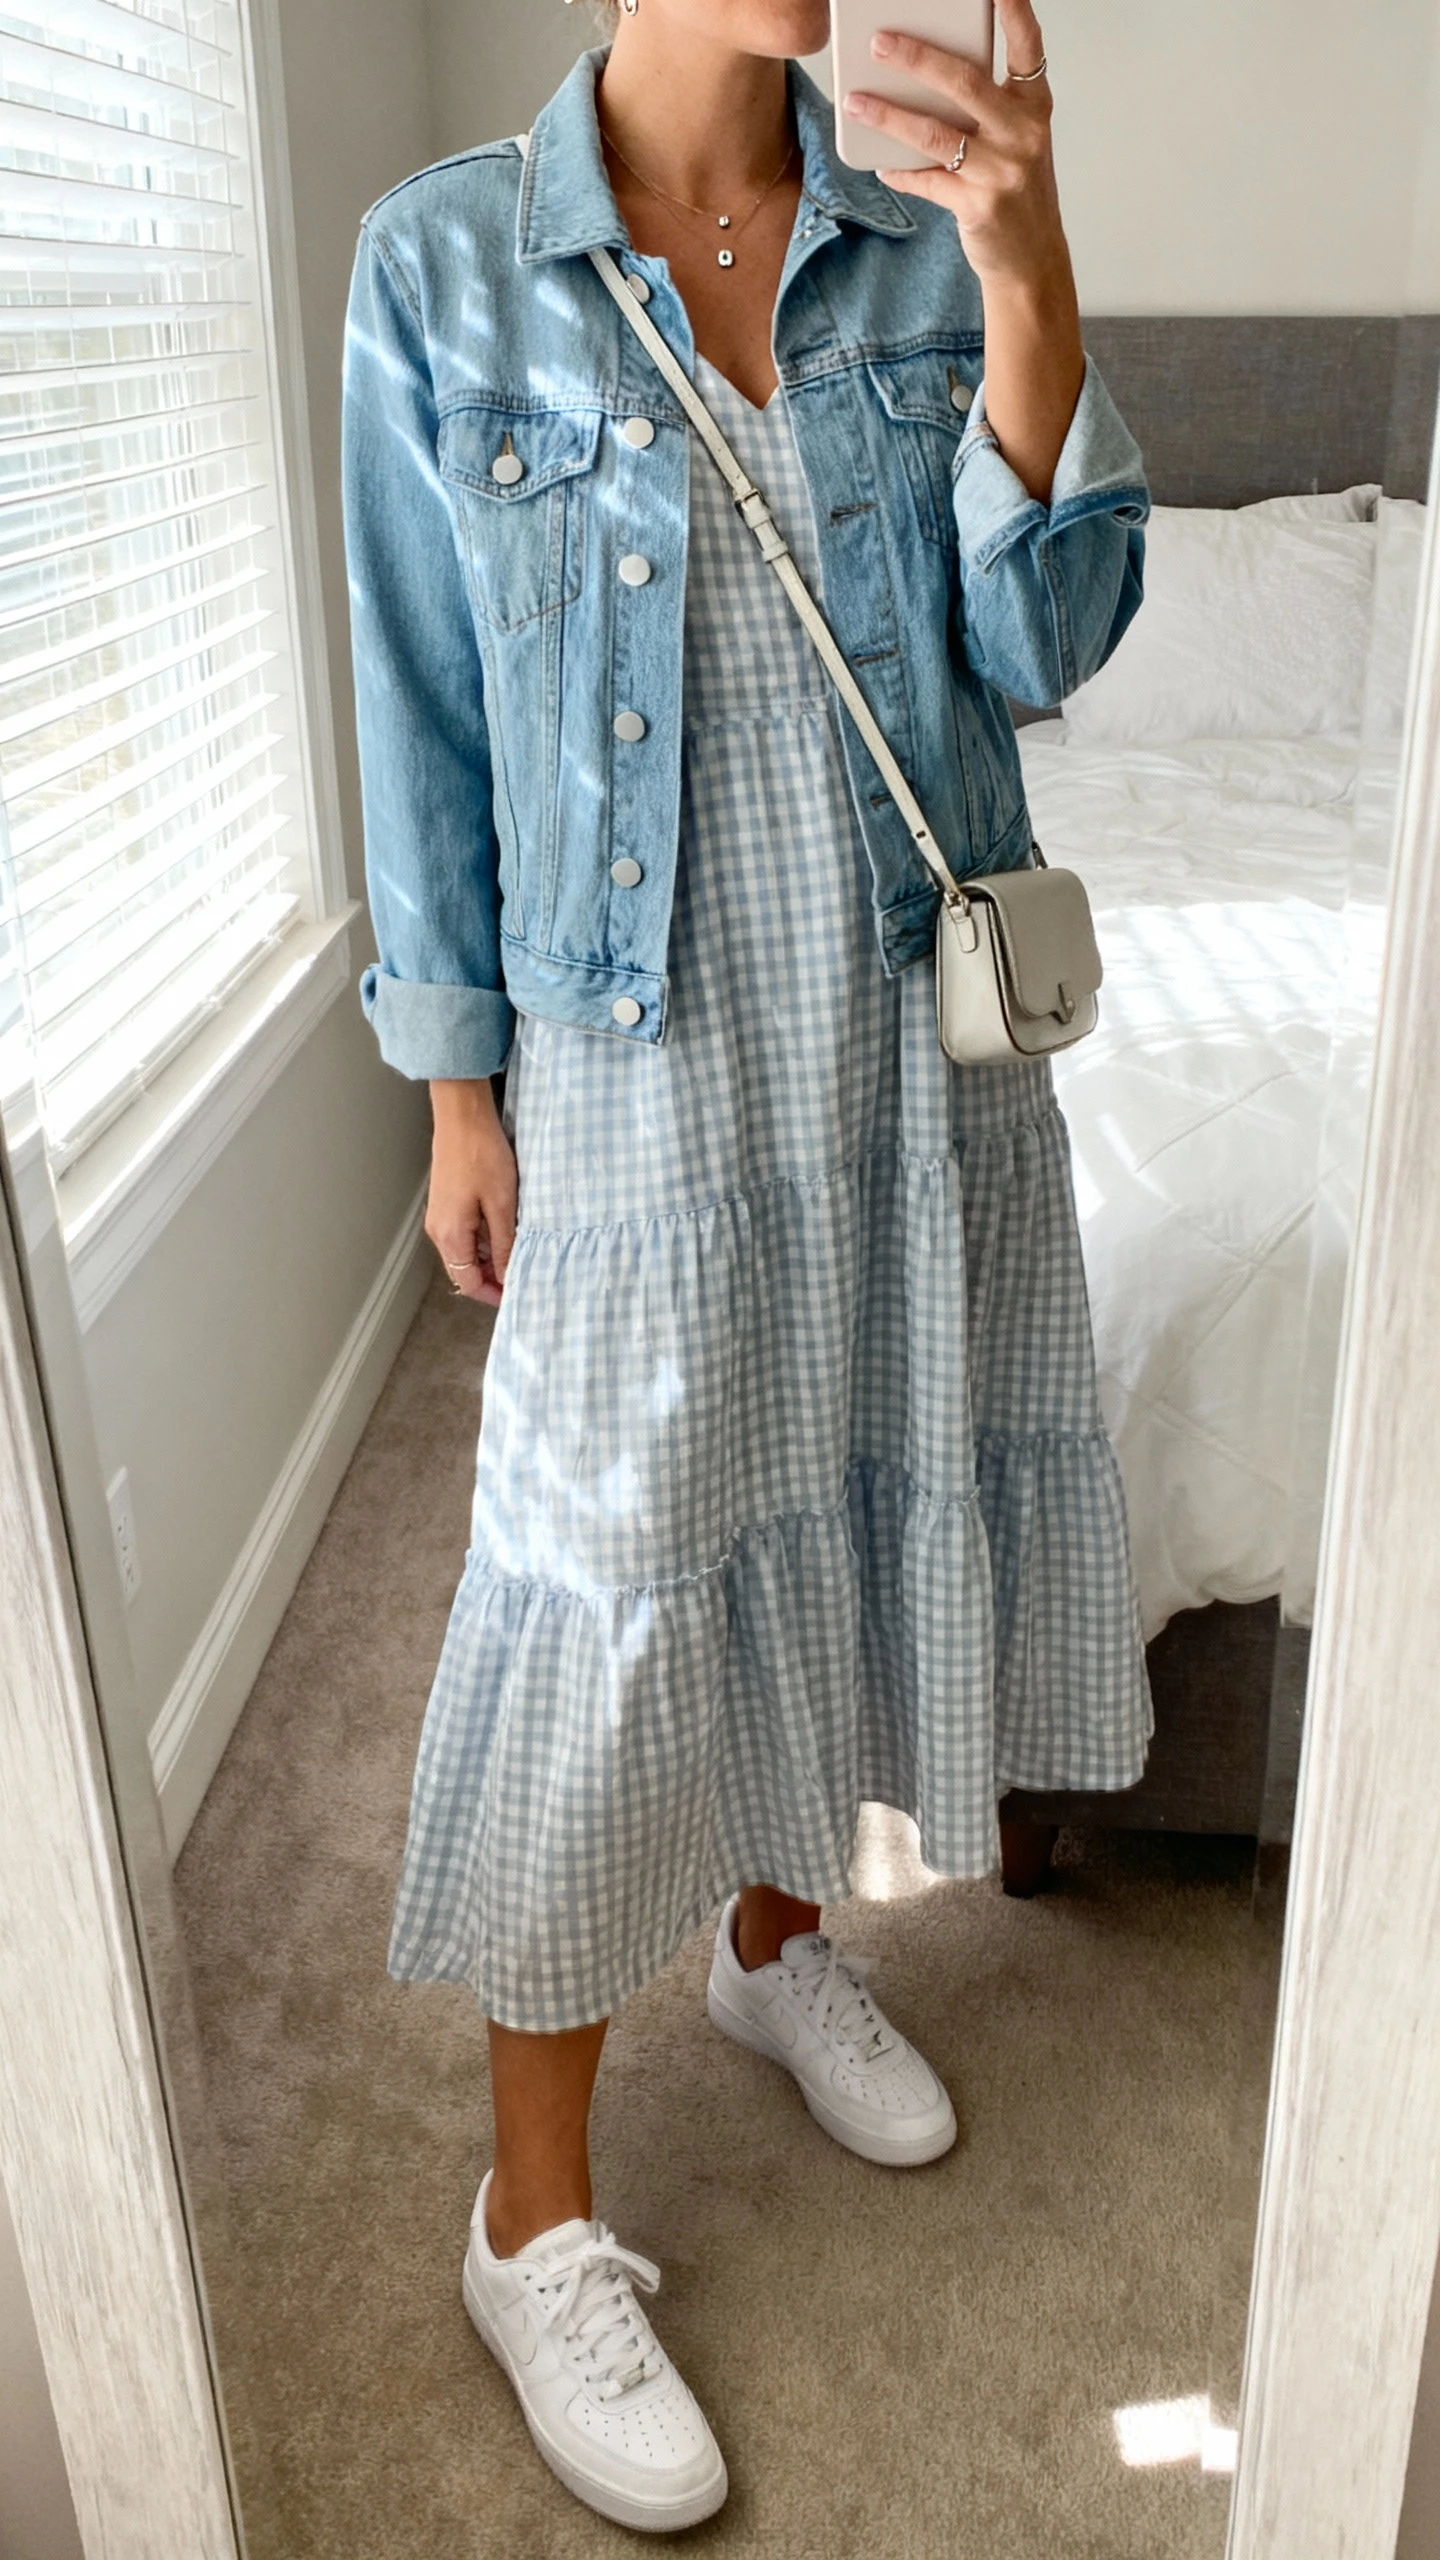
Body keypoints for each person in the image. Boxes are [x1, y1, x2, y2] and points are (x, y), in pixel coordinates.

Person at [341, 0, 1152, 2531]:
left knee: (856, 1453)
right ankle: (535, 2215)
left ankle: (780, 1937)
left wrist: (1030, 264)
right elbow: (426, 712)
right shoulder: (444, 270)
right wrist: (460, 1086)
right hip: (634, 1042)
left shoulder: (918, 244)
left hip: (900, 1030)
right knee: (602, 1583)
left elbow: (1051, 640)